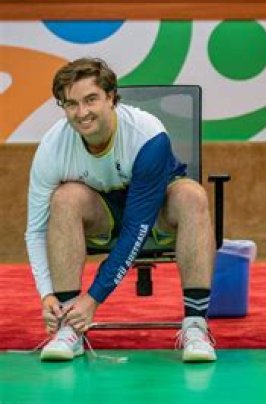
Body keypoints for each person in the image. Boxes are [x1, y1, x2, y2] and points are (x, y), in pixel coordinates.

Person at [25, 58, 217, 362]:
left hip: (158, 208)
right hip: (104, 211)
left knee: (192, 196)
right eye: (71, 104)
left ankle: (195, 327)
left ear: (112, 97)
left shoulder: (147, 135)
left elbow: (135, 229)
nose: (82, 113)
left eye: (91, 99)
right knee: (65, 198)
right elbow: (35, 230)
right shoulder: (52, 147)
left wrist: (94, 298)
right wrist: (47, 294)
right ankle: (69, 325)